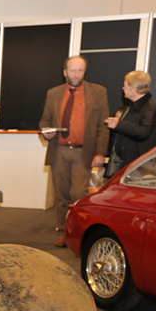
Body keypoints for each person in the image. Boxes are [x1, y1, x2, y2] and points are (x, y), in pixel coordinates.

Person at [39, 56, 109, 247]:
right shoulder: (53, 93)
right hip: (59, 151)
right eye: (73, 70)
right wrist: (46, 131)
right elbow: (44, 120)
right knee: (61, 196)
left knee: (78, 195)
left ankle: (77, 233)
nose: (76, 74)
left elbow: (104, 126)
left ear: (84, 72)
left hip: (83, 152)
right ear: (65, 72)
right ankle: (62, 232)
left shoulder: (98, 92)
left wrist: (101, 152)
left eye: (80, 71)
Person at [104, 71, 156, 177]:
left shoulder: (150, 108)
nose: (123, 88)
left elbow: (144, 133)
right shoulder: (131, 107)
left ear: (133, 88)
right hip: (128, 164)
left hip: (141, 167)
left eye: (125, 85)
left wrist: (119, 125)